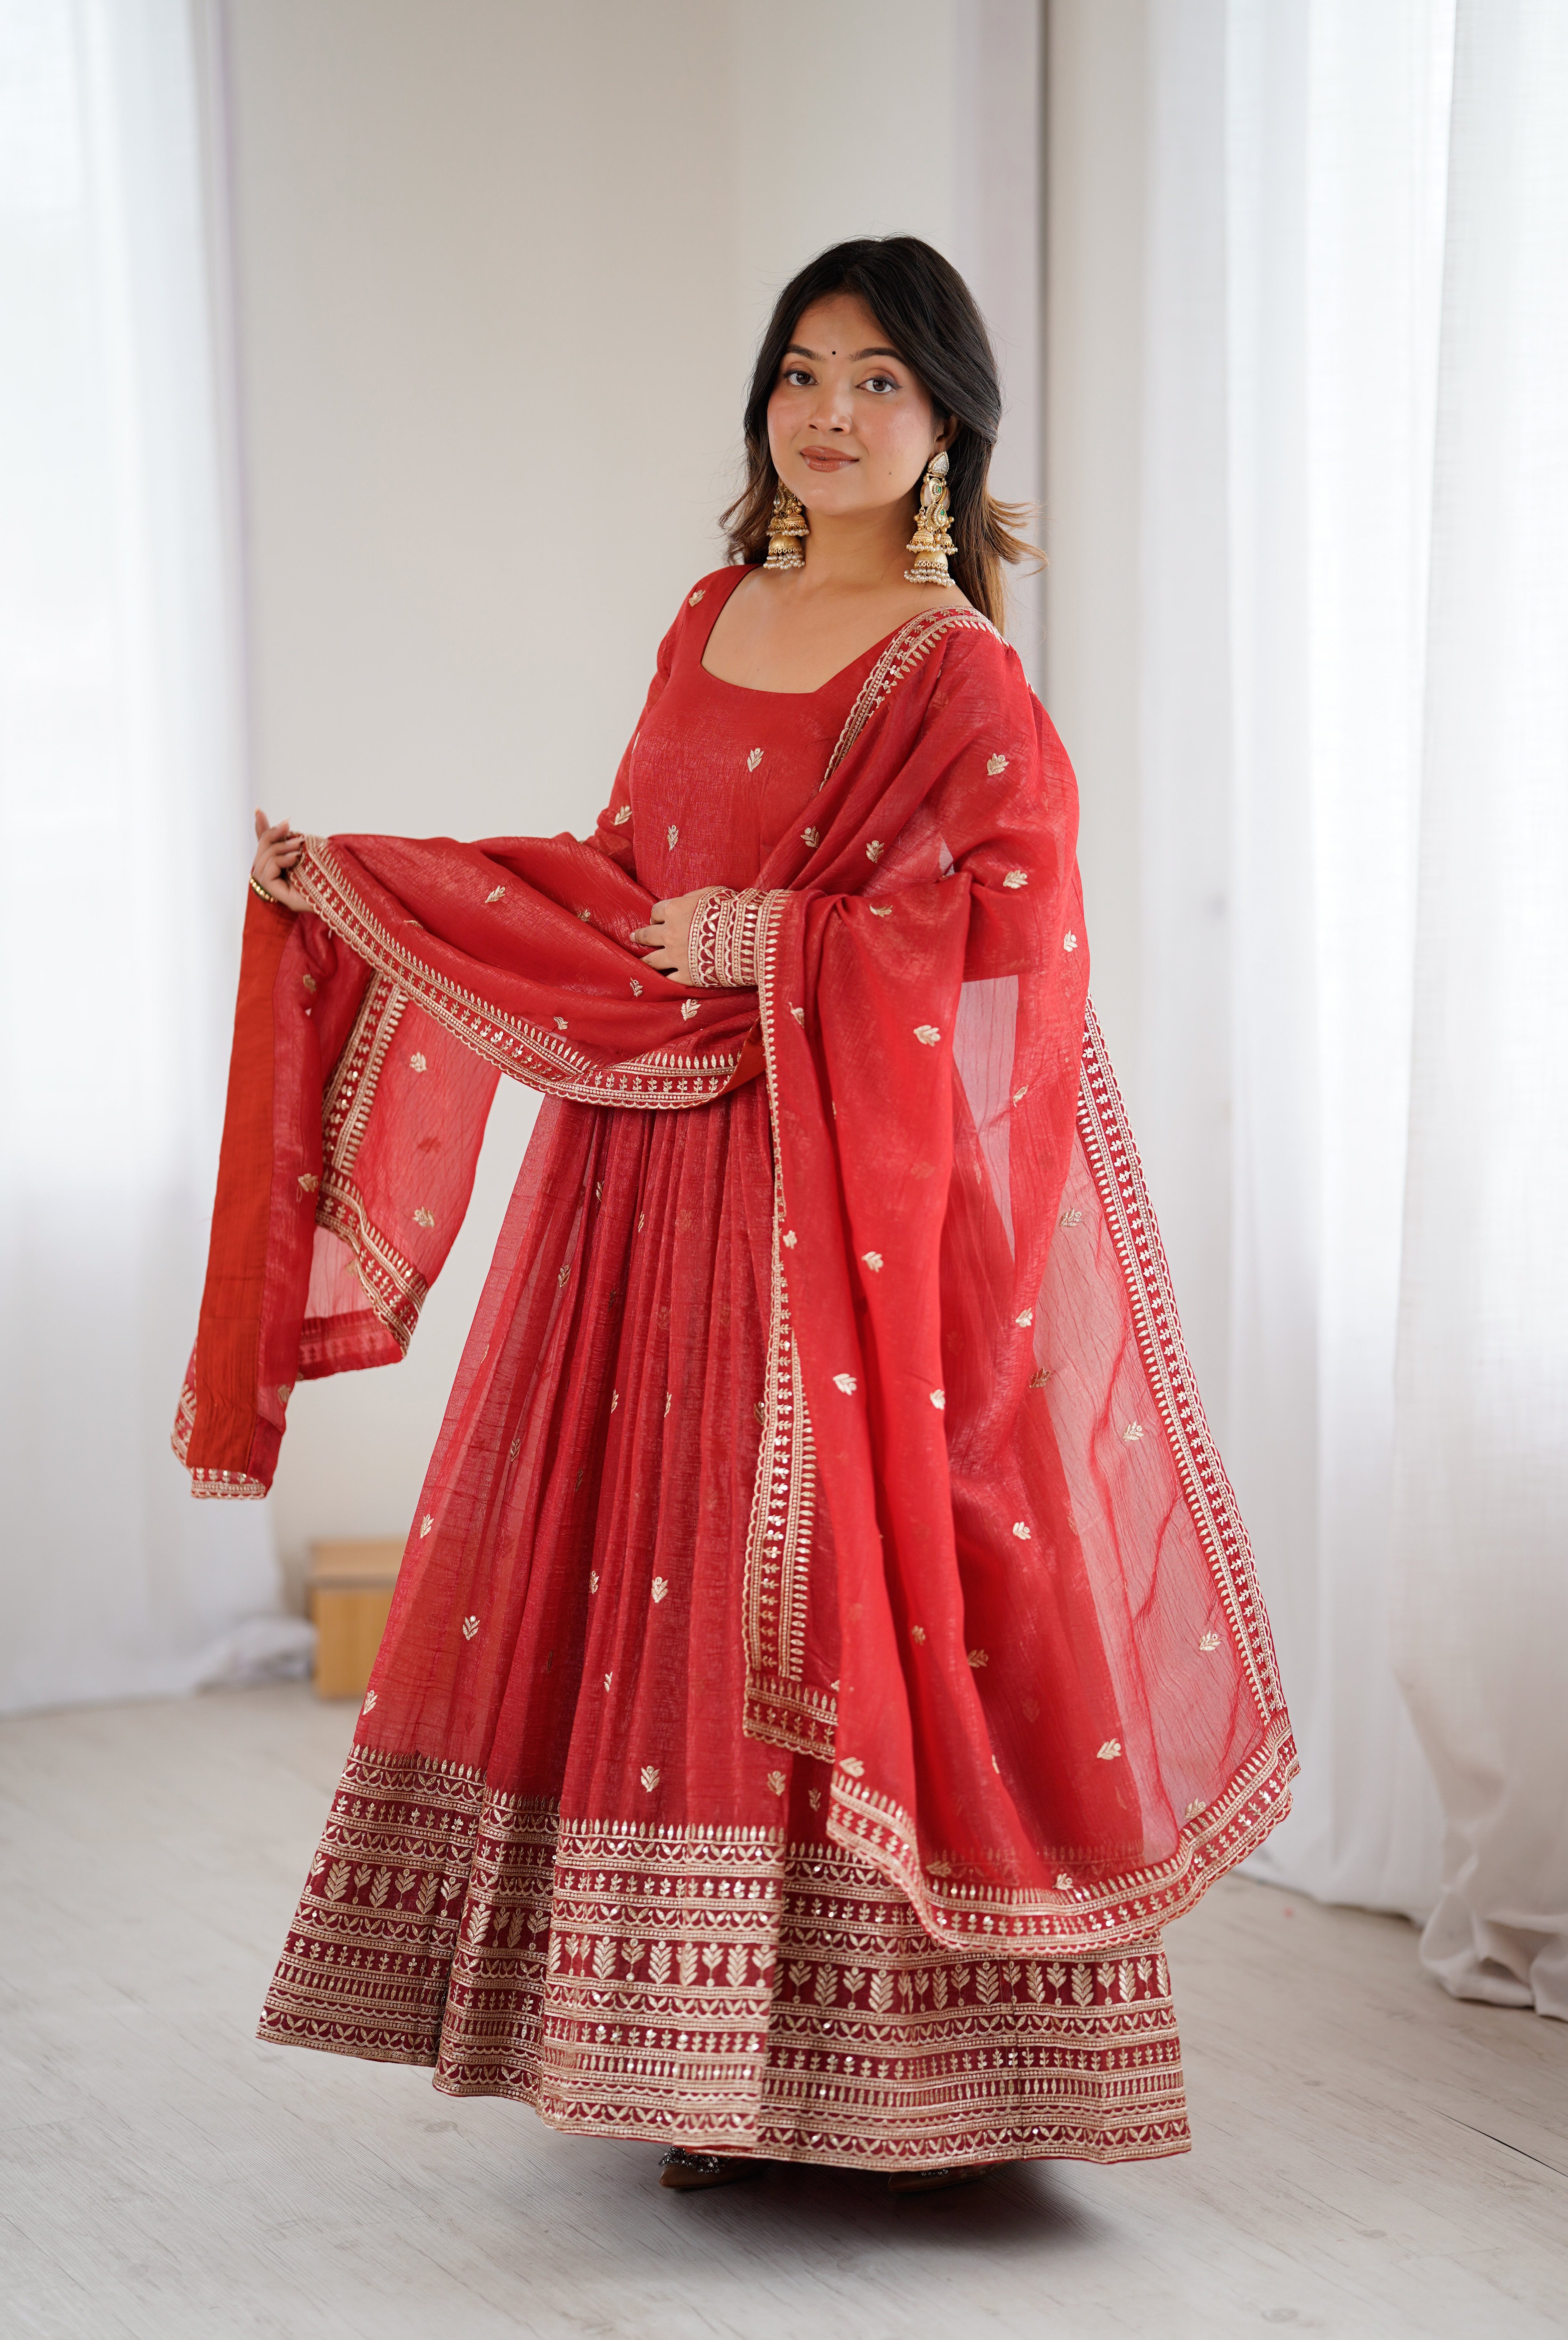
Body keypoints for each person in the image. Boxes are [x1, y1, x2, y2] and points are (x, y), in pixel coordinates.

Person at [181, 236, 1295, 2193]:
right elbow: (620, 876)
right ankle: (673, 2058)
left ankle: (893, 2072)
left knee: (833, 1590)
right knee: (651, 1574)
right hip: (638, 1190)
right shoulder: (712, 610)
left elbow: (1021, 946)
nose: (831, 413)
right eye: (800, 373)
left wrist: (786, 941)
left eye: (876, 379)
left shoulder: (959, 674)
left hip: (832, 1207)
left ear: (945, 419)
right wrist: (370, 879)